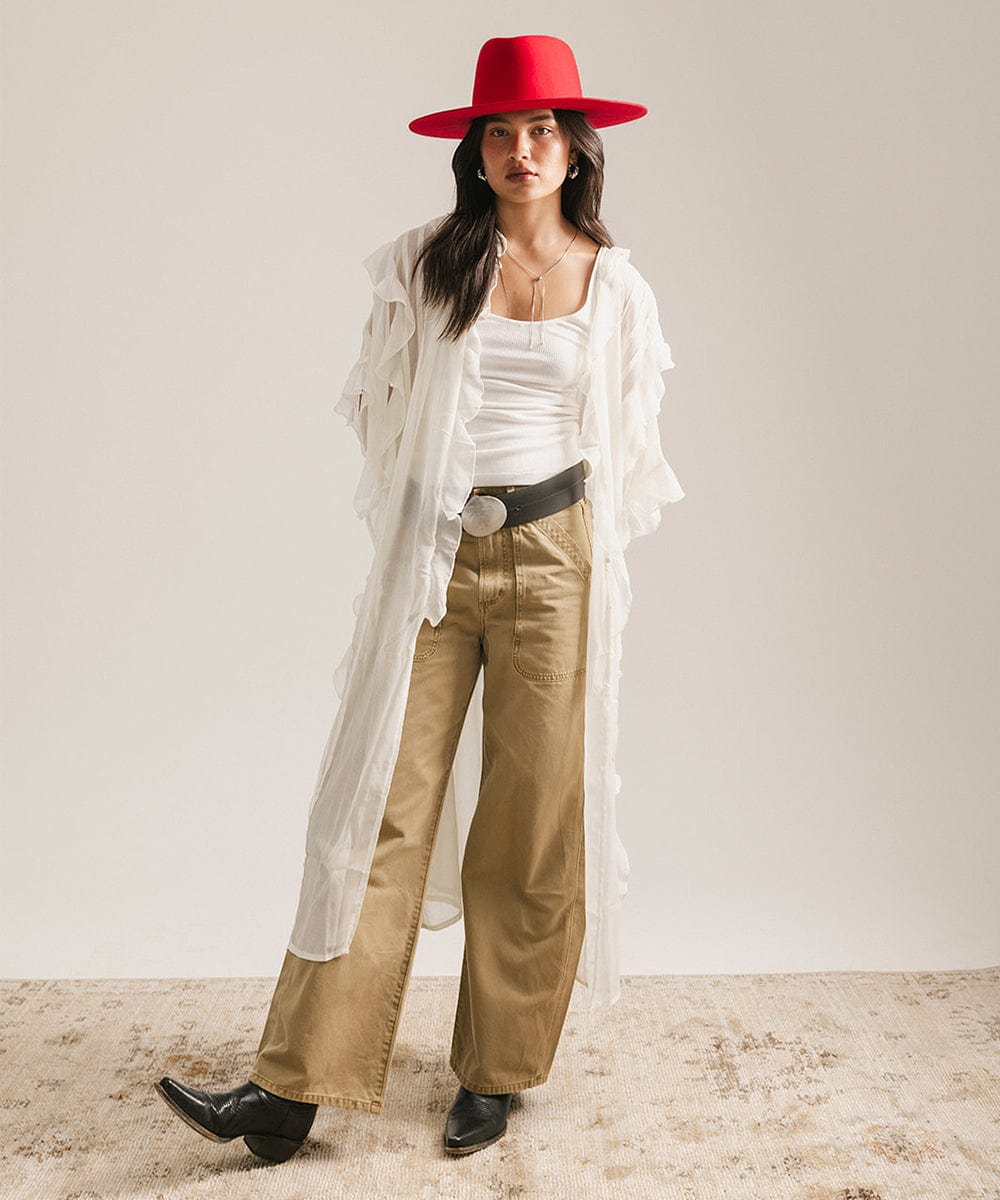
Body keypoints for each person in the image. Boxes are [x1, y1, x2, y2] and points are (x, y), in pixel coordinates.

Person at [154, 33, 684, 1161]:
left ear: (576, 149)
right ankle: (290, 1090)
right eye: (499, 131)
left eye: (540, 129)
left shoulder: (617, 286)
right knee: (375, 807)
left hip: (557, 553)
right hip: (435, 553)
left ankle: (494, 1072)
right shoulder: (426, 262)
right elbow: (381, 409)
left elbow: (628, 444)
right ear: (474, 150)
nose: (520, 148)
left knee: (531, 820)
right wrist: (421, 519)